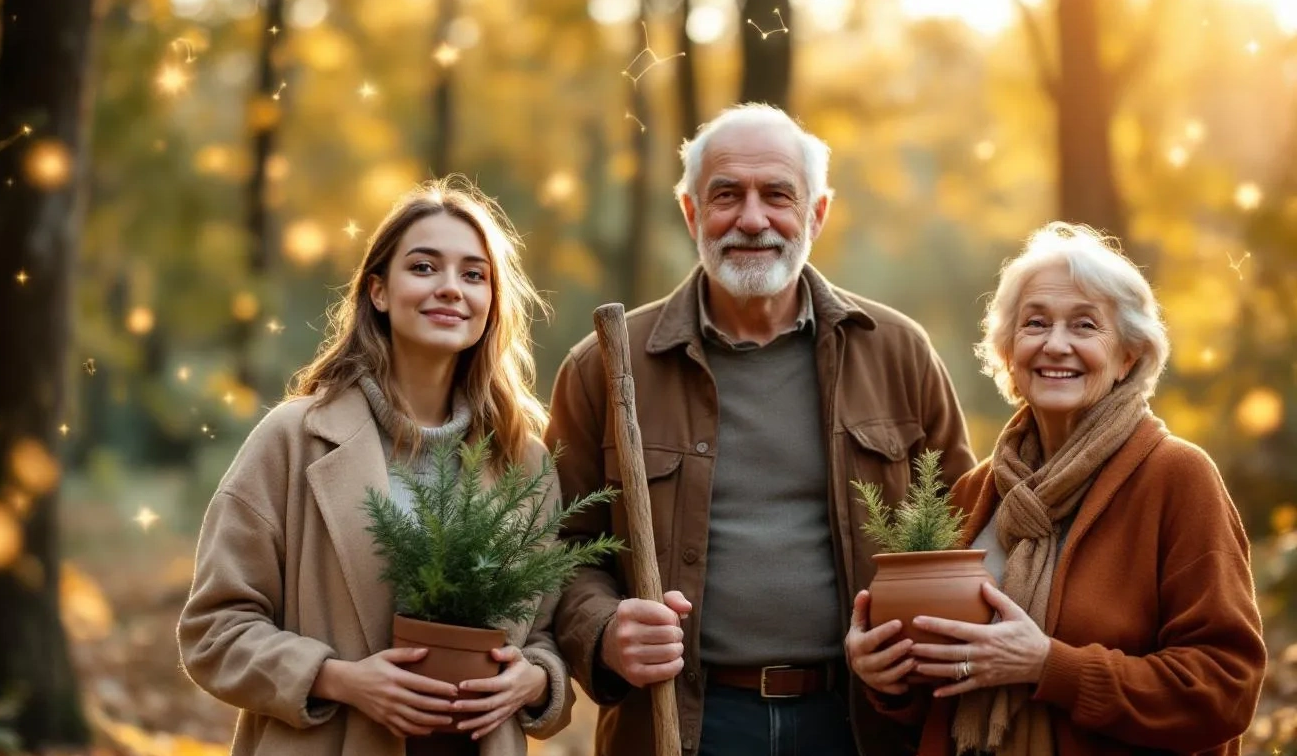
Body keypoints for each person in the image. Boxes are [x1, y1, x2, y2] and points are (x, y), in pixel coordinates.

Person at [546, 103, 976, 756]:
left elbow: (963, 531)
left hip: (863, 726)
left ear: (817, 214)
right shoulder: (608, 364)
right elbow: (560, 546)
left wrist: (911, 649)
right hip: (683, 724)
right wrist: (603, 631)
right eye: (726, 195)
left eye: (777, 195)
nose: (752, 219)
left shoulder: (897, 354)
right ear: (692, 213)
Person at [178, 177, 574, 756]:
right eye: (423, 267)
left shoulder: (522, 456)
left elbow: (546, 631)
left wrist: (535, 678)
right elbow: (212, 631)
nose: (450, 289)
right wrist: (339, 678)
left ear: (491, 305)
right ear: (378, 292)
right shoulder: (294, 438)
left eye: (473, 274)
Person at [847, 222, 1266, 756]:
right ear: (1008, 354)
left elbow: (1225, 688)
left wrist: (1050, 665)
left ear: (1129, 357)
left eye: (1085, 325)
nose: (1056, 344)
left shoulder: (1178, 478)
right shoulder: (978, 491)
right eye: (1035, 324)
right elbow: (942, 693)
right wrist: (888, 678)